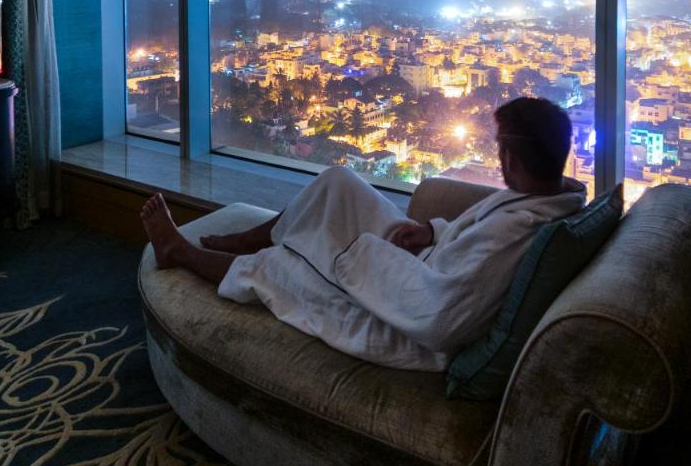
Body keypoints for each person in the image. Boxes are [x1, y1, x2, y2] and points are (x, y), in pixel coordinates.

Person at [140, 97, 584, 371]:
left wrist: (366, 258)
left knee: (280, 267)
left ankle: (177, 252)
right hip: (421, 264)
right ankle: (252, 236)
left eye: (499, 147)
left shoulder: (519, 231)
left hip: (403, 315)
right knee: (339, 181)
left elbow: (443, 319)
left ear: (510, 157)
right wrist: (432, 231)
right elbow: (470, 243)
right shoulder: (549, 197)